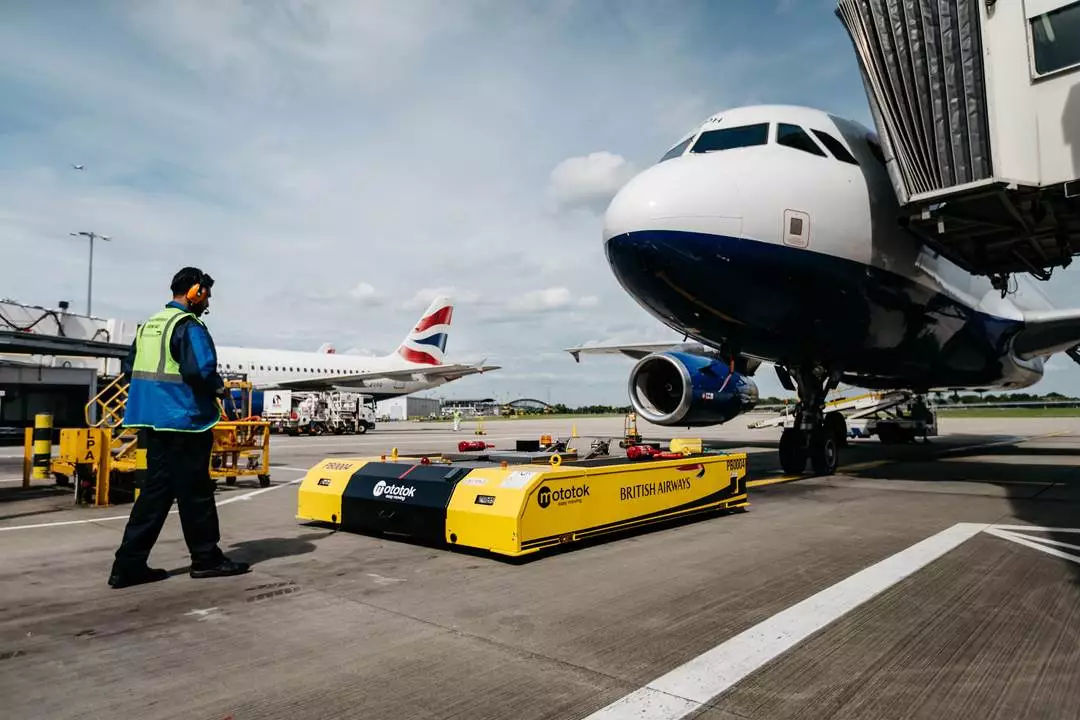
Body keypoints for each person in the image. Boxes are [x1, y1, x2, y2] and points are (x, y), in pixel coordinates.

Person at [107, 267, 250, 588]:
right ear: (195, 291)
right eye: (207, 295)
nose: (207, 302)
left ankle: (127, 565)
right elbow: (200, 369)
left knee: (155, 494)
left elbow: (130, 367)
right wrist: (219, 388)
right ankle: (206, 558)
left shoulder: (148, 326)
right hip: (185, 421)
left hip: (152, 420)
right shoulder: (188, 325)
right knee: (196, 492)